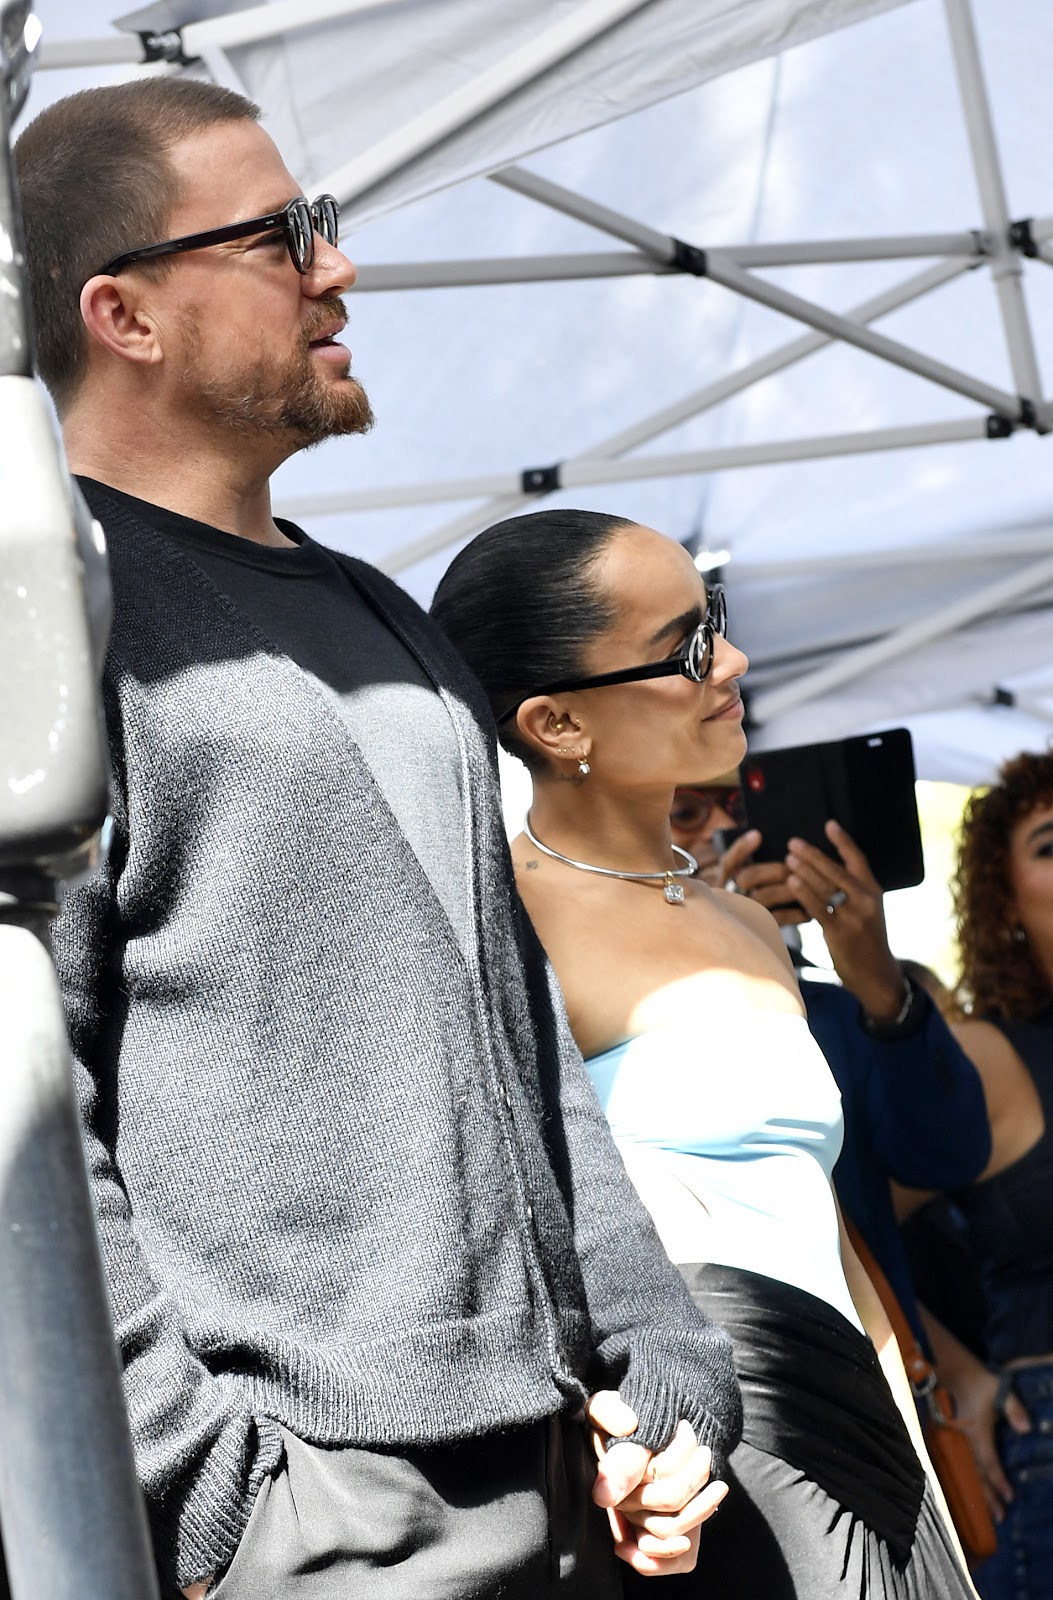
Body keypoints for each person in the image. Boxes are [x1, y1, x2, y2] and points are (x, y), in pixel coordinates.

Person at [14, 82, 742, 1599]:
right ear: (125, 316)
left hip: (572, 1484)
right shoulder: (53, 621)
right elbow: (24, 1091)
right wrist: (212, 1496)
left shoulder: (381, 619)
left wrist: (664, 1356)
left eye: (322, 225)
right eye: (282, 236)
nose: (335, 269)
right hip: (320, 1515)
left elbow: (524, 1043)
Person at [430, 507, 975, 1598]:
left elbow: (815, 1214)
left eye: (714, 619)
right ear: (556, 723)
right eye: (685, 645)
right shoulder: (501, 923)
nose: (731, 661)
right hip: (693, 1451)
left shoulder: (745, 922)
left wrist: (914, 1448)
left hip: (869, 1425)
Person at [668, 783, 991, 1346]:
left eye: (739, 806)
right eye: (687, 812)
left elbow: (950, 1158)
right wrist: (705, 947)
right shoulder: (594, 1005)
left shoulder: (832, 1011)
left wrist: (884, 987)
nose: (721, 824)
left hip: (863, 1363)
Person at [903, 750, 1053, 1600]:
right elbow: (845, 1217)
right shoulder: (986, 1057)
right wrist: (950, 1367)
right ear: (1003, 905)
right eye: (1048, 843)